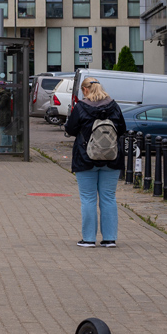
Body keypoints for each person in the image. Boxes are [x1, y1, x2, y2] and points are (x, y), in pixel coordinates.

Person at [65, 77, 126, 248]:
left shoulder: (81, 107)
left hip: (86, 158)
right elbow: (122, 129)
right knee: (108, 198)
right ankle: (109, 239)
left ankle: (89, 239)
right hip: (111, 158)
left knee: (88, 199)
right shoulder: (114, 106)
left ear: (85, 90)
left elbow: (70, 129)